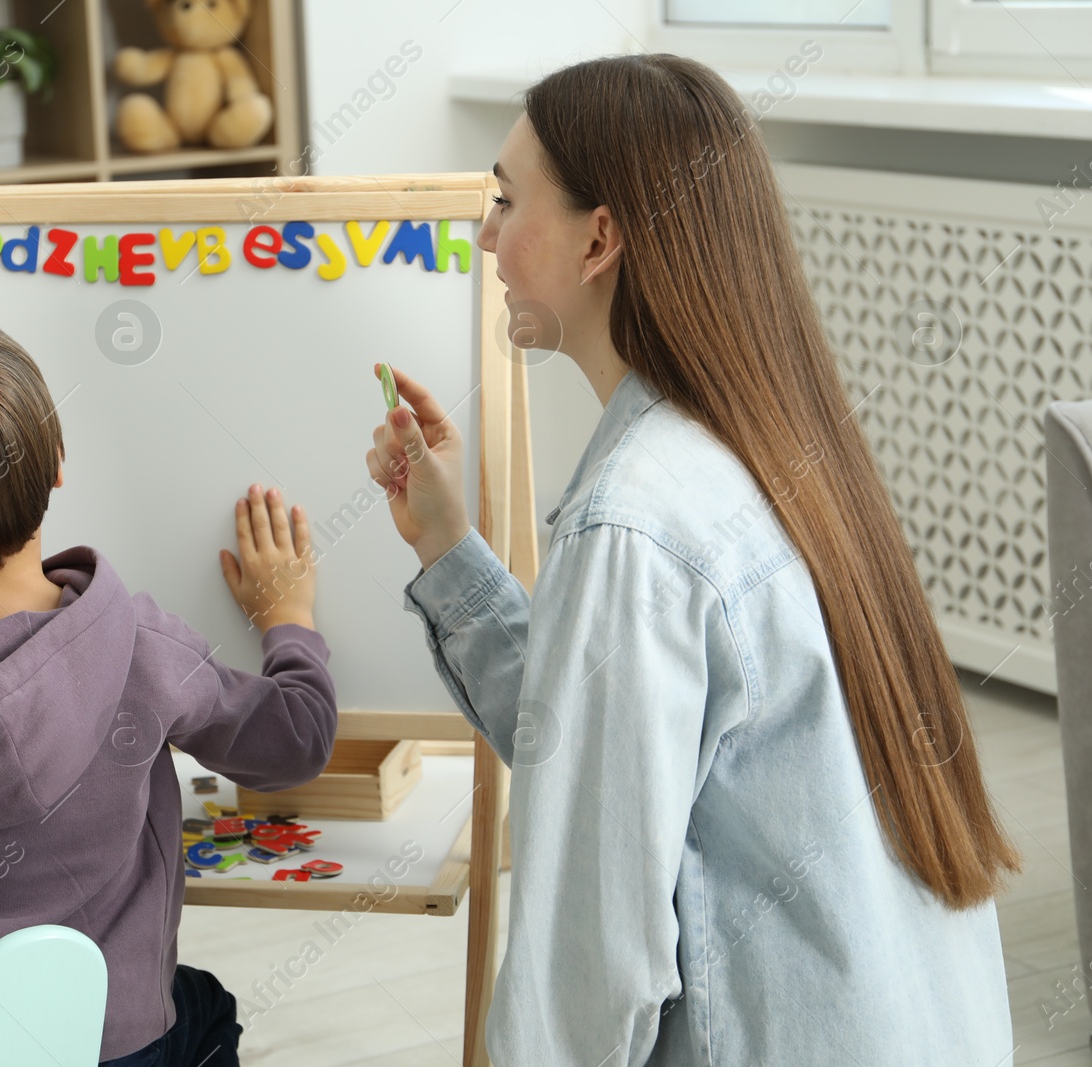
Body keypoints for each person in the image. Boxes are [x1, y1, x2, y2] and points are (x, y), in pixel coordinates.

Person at [366, 54, 1022, 1065]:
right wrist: (448, 546)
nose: (484, 232)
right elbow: (597, 737)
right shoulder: (771, 447)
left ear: (600, 235)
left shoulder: (632, 521)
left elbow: (587, 964)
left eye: (504, 199)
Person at [0, 307, 336, 1066]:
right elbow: (296, 740)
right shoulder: (137, 651)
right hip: (90, 1040)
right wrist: (289, 617)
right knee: (204, 1009)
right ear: (57, 460)